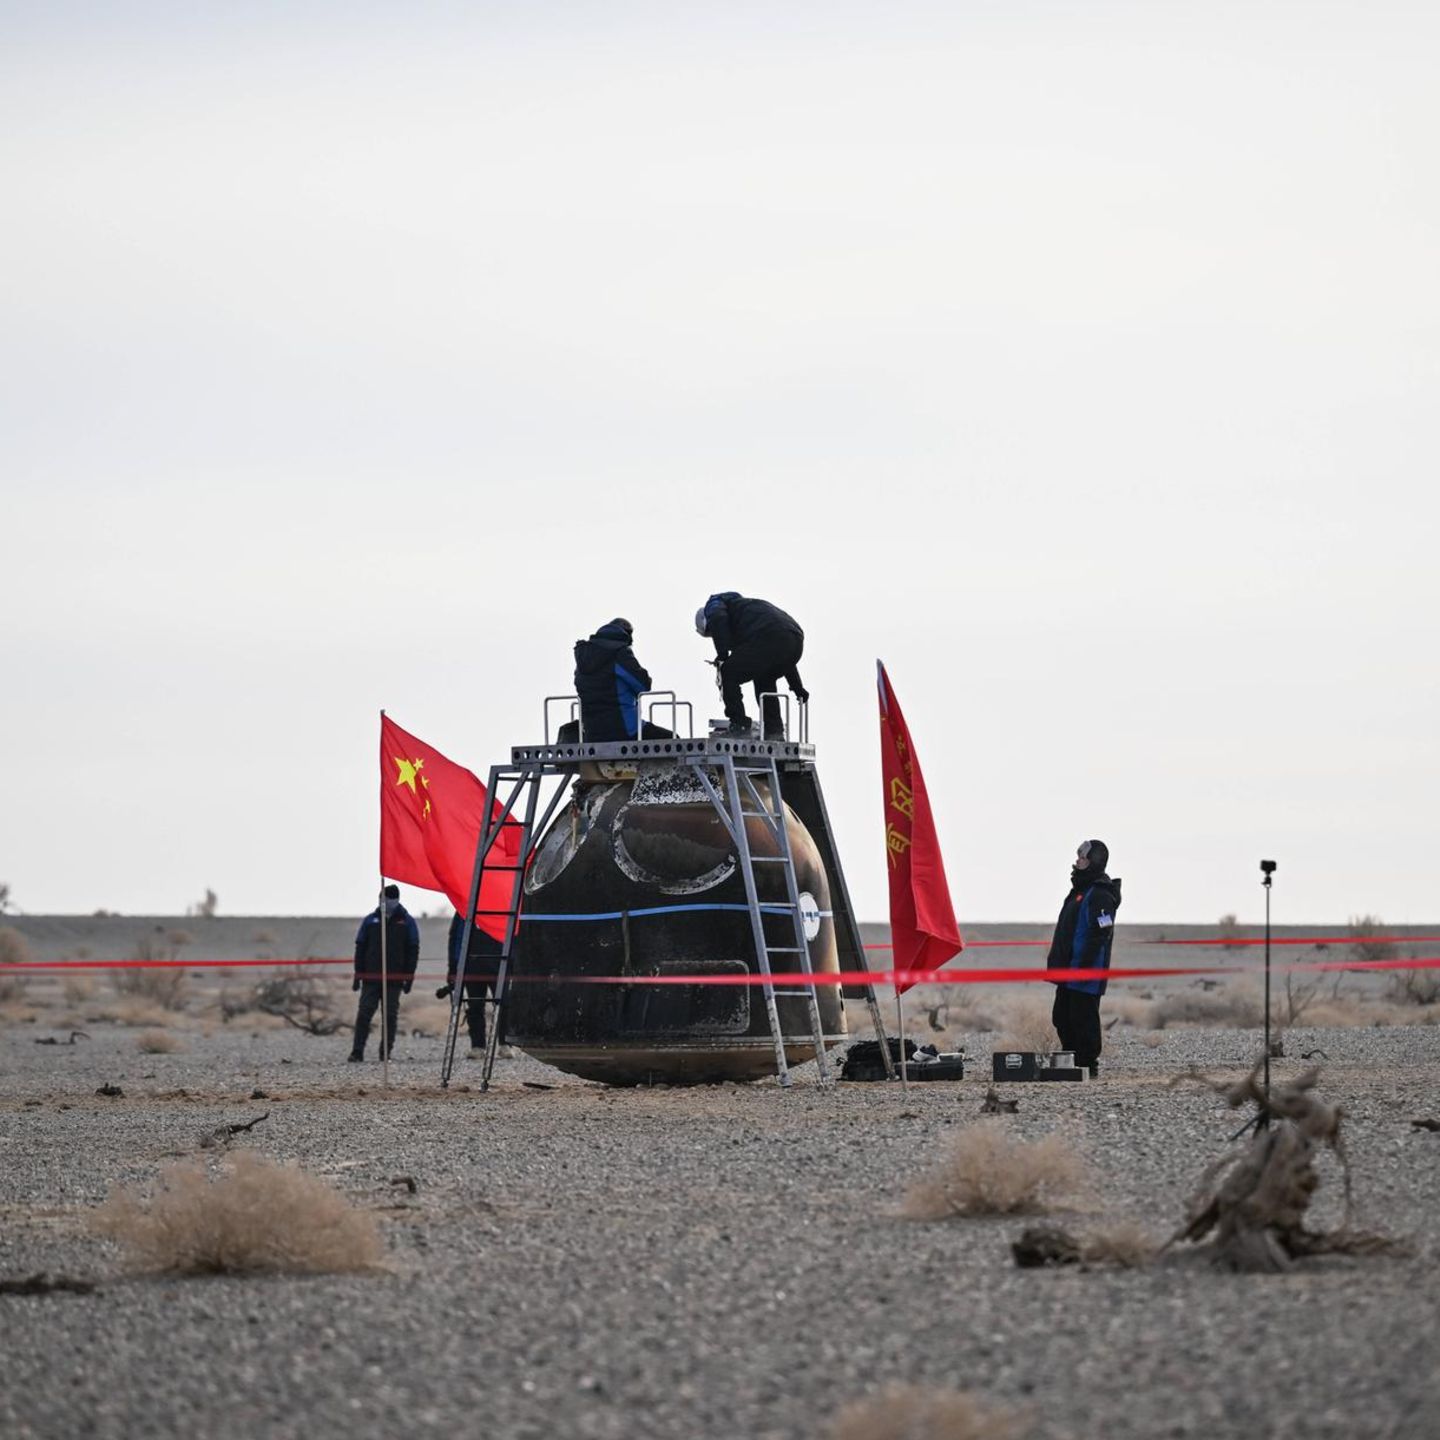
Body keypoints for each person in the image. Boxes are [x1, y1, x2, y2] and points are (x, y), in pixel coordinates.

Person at [1044, 840, 1122, 1077]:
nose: (1078, 861)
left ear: (1094, 861)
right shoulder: (1080, 891)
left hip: (1085, 972)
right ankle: (1071, 1060)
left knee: (1083, 1019)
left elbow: (1101, 931)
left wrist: (1085, 965)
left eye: (1083, 857)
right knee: (1062, 1017)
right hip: (1069, 971)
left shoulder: (1100, 894)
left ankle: (1088, 1064)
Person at [695, 592, 808, 738]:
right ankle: (775, 731)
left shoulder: (714, 604)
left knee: (728, 672)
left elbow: (717, 617)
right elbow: (781, 649)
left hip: (770, 637)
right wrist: (797, 687)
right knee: (764, 677)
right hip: (794, 640)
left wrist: (722, 655)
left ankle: (739, 725)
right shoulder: (747, 617)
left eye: (712, 634)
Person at [566, 617, 672, 742]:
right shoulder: (620, 653)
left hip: (592, 733)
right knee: (674, 741)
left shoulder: (583, 659)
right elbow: (643, 685)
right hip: (625, 730)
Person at [349, 883, 420, 1062]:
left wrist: (409, 978)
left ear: (395, 900)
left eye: (388, 899)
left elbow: (413, 950)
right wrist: (358, 975)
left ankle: (385, 1052)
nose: (385, 902)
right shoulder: (370, 920)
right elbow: (360, 947)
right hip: (371, 978)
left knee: (389, 1016)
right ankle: (357, 1051)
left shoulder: (407, 921)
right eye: (382, 898)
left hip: (394, 980)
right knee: (364, 1013)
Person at [438, 910, 503, 1055]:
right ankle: (478, 1046)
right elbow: (455, 940)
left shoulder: (498, 907)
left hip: (498, 965)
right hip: (471, 966)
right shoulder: (463, 909)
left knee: (502, 1006)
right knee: (474, 1007)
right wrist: (453, 969)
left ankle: (505, 1044)